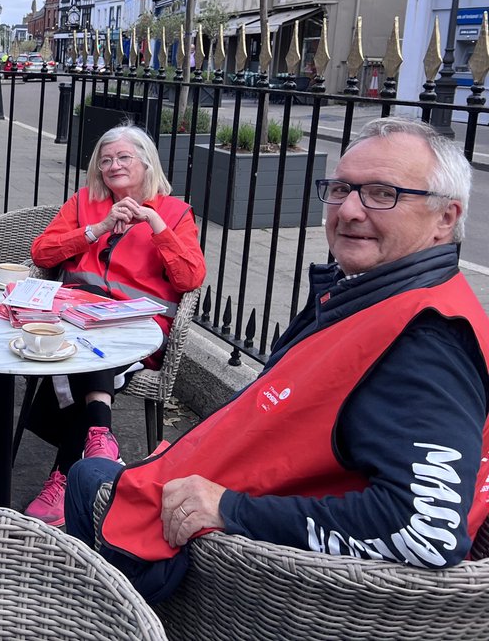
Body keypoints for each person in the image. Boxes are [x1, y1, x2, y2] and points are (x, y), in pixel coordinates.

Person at [66, 117, 489, 603]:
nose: (350, 210)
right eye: (341, 189)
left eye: (382, 193)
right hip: (233, 480)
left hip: (233, 565)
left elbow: (426, 533)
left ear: (445, 217)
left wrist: (230, 508)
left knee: (87, 476)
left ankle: (108, 614)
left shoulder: (428, 339)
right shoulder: (374, 296)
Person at [23, 122, 206, 526]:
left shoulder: (175, 213)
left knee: (76, 353)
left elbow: (190, 278)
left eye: (124, 157)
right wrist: (97, 229)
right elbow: (42, 253)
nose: (114, 166)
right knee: (84, 334)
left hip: (139, 333)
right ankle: (98, 440)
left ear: (146, 163)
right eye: (106, 160)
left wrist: (154, 224)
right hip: (77, 321)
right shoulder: (84, 202)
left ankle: (66, 475)